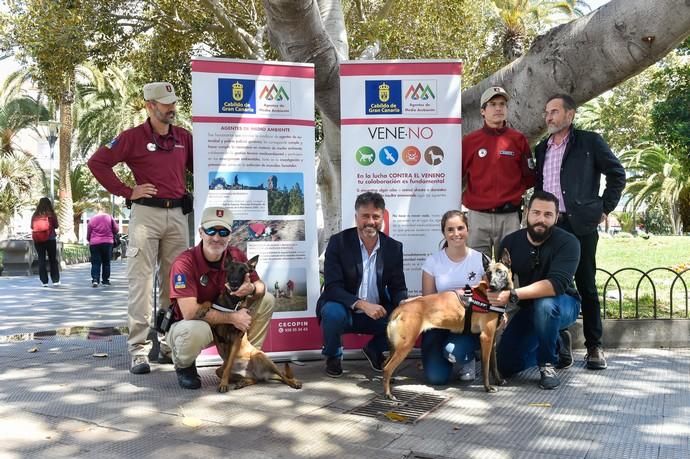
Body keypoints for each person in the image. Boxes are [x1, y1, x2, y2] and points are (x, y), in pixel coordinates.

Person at [87, 82, 193, 374]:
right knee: (141, 283)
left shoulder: (184, 137)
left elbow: (207, 167)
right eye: (165, 103)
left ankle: (169, 344)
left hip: (179, 216)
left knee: (175, 285)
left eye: (173, 103)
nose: (171, 108)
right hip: (146, 215)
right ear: (150, 106)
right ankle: (138, 350)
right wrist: (126, 190)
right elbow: (97, 163)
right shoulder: (132, 138)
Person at [535, 94, 626, 370]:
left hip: (581, 225)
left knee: (586, 283)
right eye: (546, 112)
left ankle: (594, 347)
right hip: (550, 228)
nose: (548, 117)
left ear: (570, 115)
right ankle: (559, 345)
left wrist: (604, 208)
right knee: (551, 286)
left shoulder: (589, 142)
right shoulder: (542, 149)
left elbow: (617, 173)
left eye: (554, 111)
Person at [166, 207, 275, 389]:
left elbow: (261, 287)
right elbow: (190, 312)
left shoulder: (235, 255)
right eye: (211, 231)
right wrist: (233, 318)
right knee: (194, 329)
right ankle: (184, 365)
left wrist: (251, 288)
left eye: (223, 232)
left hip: (225, 325)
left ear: (229, 236)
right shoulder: (184, 263)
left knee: (267, 300)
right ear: (201, 232)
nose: (216, 238)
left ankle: (242, 364)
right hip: (193, 324)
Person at [489, 191, 581, 390]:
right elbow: (502, 281)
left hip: (563, 303)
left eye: (548, 215)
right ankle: (557, 344)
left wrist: (513, 295)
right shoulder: (510, 242)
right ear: (527, 213)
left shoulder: (569, 243)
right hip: (529, 308)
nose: (541, 219)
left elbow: (555, 285)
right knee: (505, 365)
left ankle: (547, 364)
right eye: (536, 212)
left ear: (557, 217)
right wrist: (501, 309)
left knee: (545, 304)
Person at [316, 192, 408, 377]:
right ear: (356, 217)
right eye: (365, 216)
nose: (370, 222)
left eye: (376, 216)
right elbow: (332, 287)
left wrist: (404, 303)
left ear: (383, 218)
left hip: (377, 313)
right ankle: (333, 355)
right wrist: (362, 304)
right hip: (344, 310)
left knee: (405, 318)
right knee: (332, 312)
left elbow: (398, 287)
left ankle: (374, 349)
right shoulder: (338, 242)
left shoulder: (393, 248)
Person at [461, 86, 535, 258]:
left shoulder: (518, 140)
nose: (498, 108)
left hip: (509, 217)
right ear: (482, 111)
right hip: (478, 217)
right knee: (476, 270)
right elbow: (457, 176)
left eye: (502, 104)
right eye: (493, 104)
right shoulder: (470, 141)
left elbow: (530, 177)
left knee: (511, 269)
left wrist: (511, 193)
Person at [421, 210, 486, 385]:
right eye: (450, 229)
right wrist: (454, 295)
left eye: (460, 228)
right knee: (437, 378)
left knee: (454, 351)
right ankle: (444, 357)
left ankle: (468, 357)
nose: (456, 234)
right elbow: (428, 302)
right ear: (444, 233)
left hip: (468, 325)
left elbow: (488, 298)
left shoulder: (480, 260)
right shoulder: (432, 262)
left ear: (467, 230)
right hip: (439, 324)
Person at [30, 197, 60, 287]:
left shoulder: (35, 215)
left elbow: (32, 226)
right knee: (52, 259)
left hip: (38, 239)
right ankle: (55, 280)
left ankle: (44, 281)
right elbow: (56, 225)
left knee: (41, 259)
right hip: (50, 239)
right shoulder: (51, 214)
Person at [86, 205, 118, 287]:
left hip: (95, 243)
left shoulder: (92, 219)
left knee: (95, 262)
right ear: (105, 210)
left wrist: (89, 240)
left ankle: (95, 279)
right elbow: (116, 229)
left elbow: (89, 232)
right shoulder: (109, 217)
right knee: (106, 262)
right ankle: (105, 280)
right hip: (107, 242)